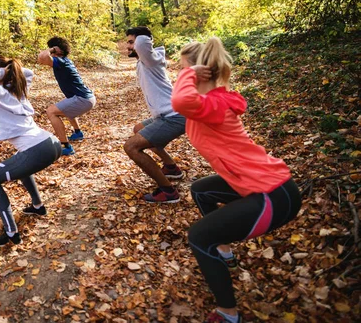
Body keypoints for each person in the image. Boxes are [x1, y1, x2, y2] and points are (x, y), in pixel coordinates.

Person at [171, 38, 302, 323]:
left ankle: (228, 314)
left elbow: (180, 99)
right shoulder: (210, 103)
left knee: (198, 236)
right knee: (201, 190)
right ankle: (224, 250)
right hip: (269, 184)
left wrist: (188, 75)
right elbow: (182, 106)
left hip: (273, 195)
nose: (178, 77)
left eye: (182, 71)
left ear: (199, 74)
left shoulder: (212, 104)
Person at [0, 57, 62, 246]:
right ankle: (38, 206)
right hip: (50, 142)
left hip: (37, 149)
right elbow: (28, 72)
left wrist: (3, 71)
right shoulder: (19, 89)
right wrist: (11, 70)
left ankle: (11, 232)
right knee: (19, 164)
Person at [123, 26, 186, 203]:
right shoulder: (147, 60)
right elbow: (142, 43)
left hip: (174, 116)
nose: (128, 46)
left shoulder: (149, 58)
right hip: (166, 115)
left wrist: (142, 37)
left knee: (131, 147)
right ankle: (171, 168)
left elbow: (143, 42)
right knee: (139, 129)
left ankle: (168, 191)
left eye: (130, 42)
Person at [37, 37, 96, 156]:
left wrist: (52, 49)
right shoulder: (65, 61)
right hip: (86, 98)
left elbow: (42, 57)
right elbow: (41, 59)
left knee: (51, 112)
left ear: (57, 50)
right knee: (66, 104)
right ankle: (78, 133)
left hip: (83, 99)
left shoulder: (61, 62)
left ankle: (66, 146)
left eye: (52, 48)